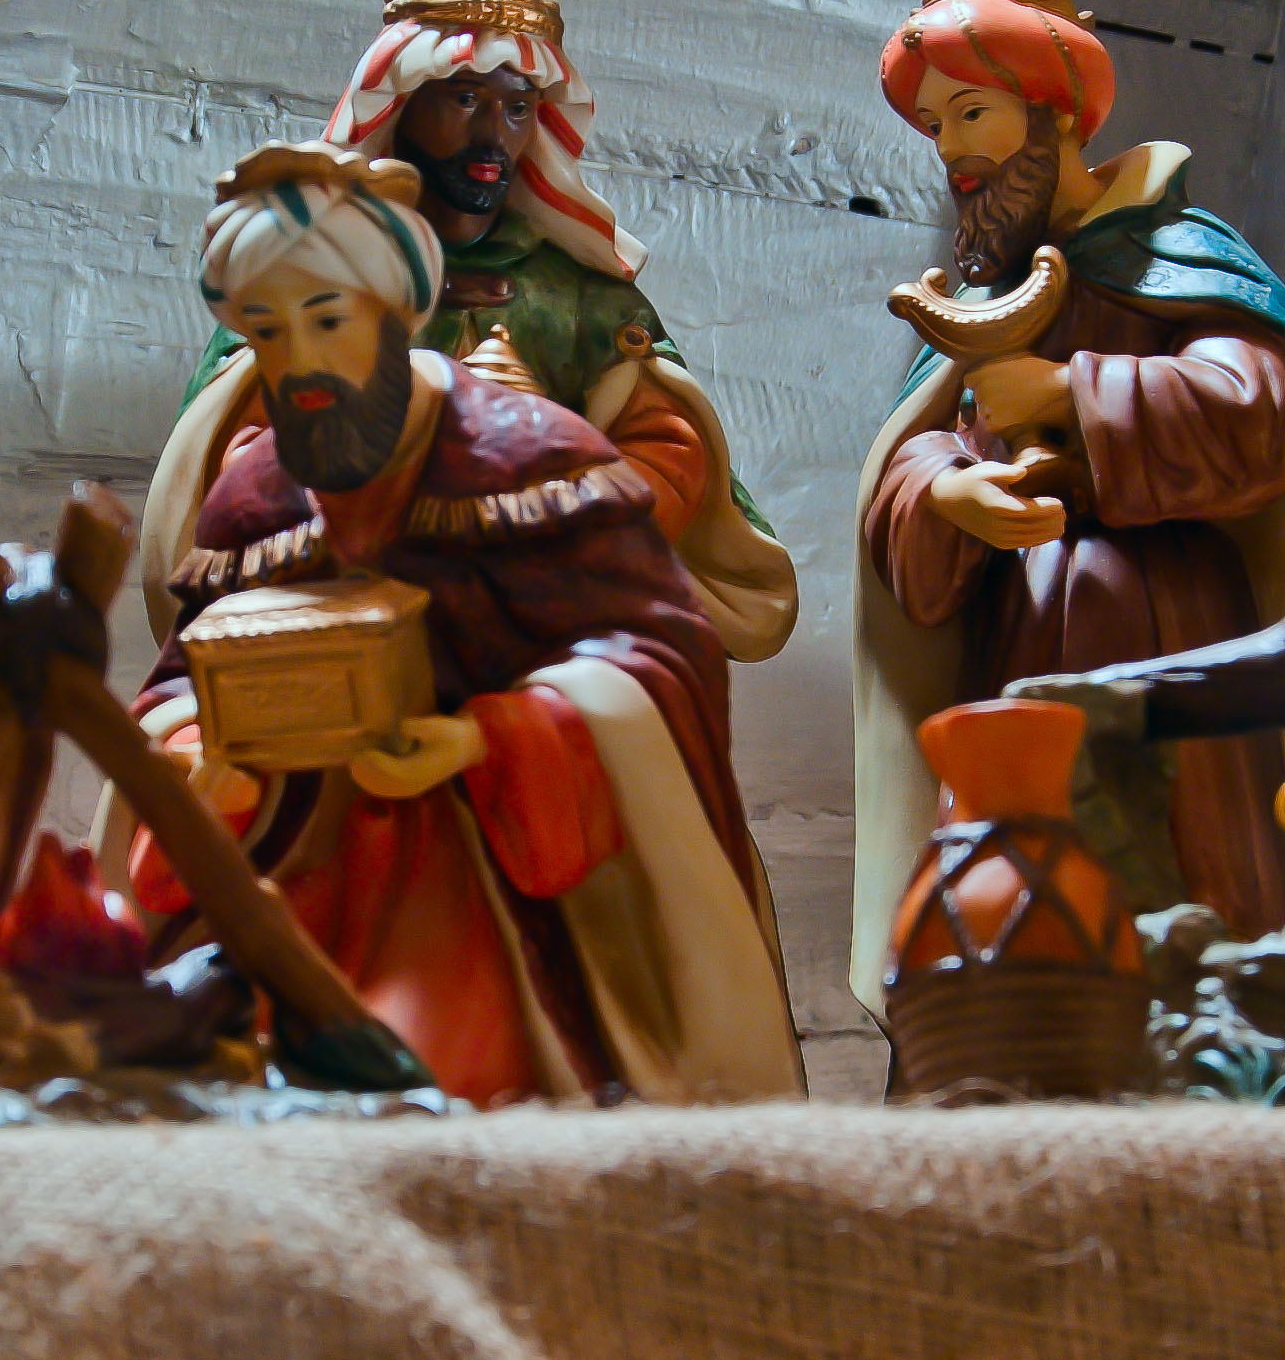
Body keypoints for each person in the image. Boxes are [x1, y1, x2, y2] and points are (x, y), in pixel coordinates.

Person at [130, 144, 801, 1106]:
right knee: (188, 1069)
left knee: (420, 1074)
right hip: (285, 870)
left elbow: (661, 662)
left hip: (485, 878)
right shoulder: (257, 492)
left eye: (327, 319)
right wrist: (199, 758)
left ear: (398, 310)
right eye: (267, 332)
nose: (300, 364)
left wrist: (488, 741)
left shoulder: (534, 463)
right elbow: (178, 681)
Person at [851, 0, 1285, 994]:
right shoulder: (980, 300)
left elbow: (1255, 412)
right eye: (934, 128)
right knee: (1006, 928)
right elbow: (919, 456)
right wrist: (943, 493)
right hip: (1015, 657)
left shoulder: (1175, 254)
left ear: (1052, 115)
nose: (953, 152)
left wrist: (1070, 390)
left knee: (1188, 901)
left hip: (1172, 642)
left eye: (971, 114)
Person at [138, 0, 793, 663]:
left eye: (517, 109)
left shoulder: (580, 297)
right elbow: (240, 448)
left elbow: (669, 447)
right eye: (465, 101)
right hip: (349, 600)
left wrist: (554, 520)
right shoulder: (313, 275)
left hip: (537, 615)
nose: (493, 135)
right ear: (403, 99)